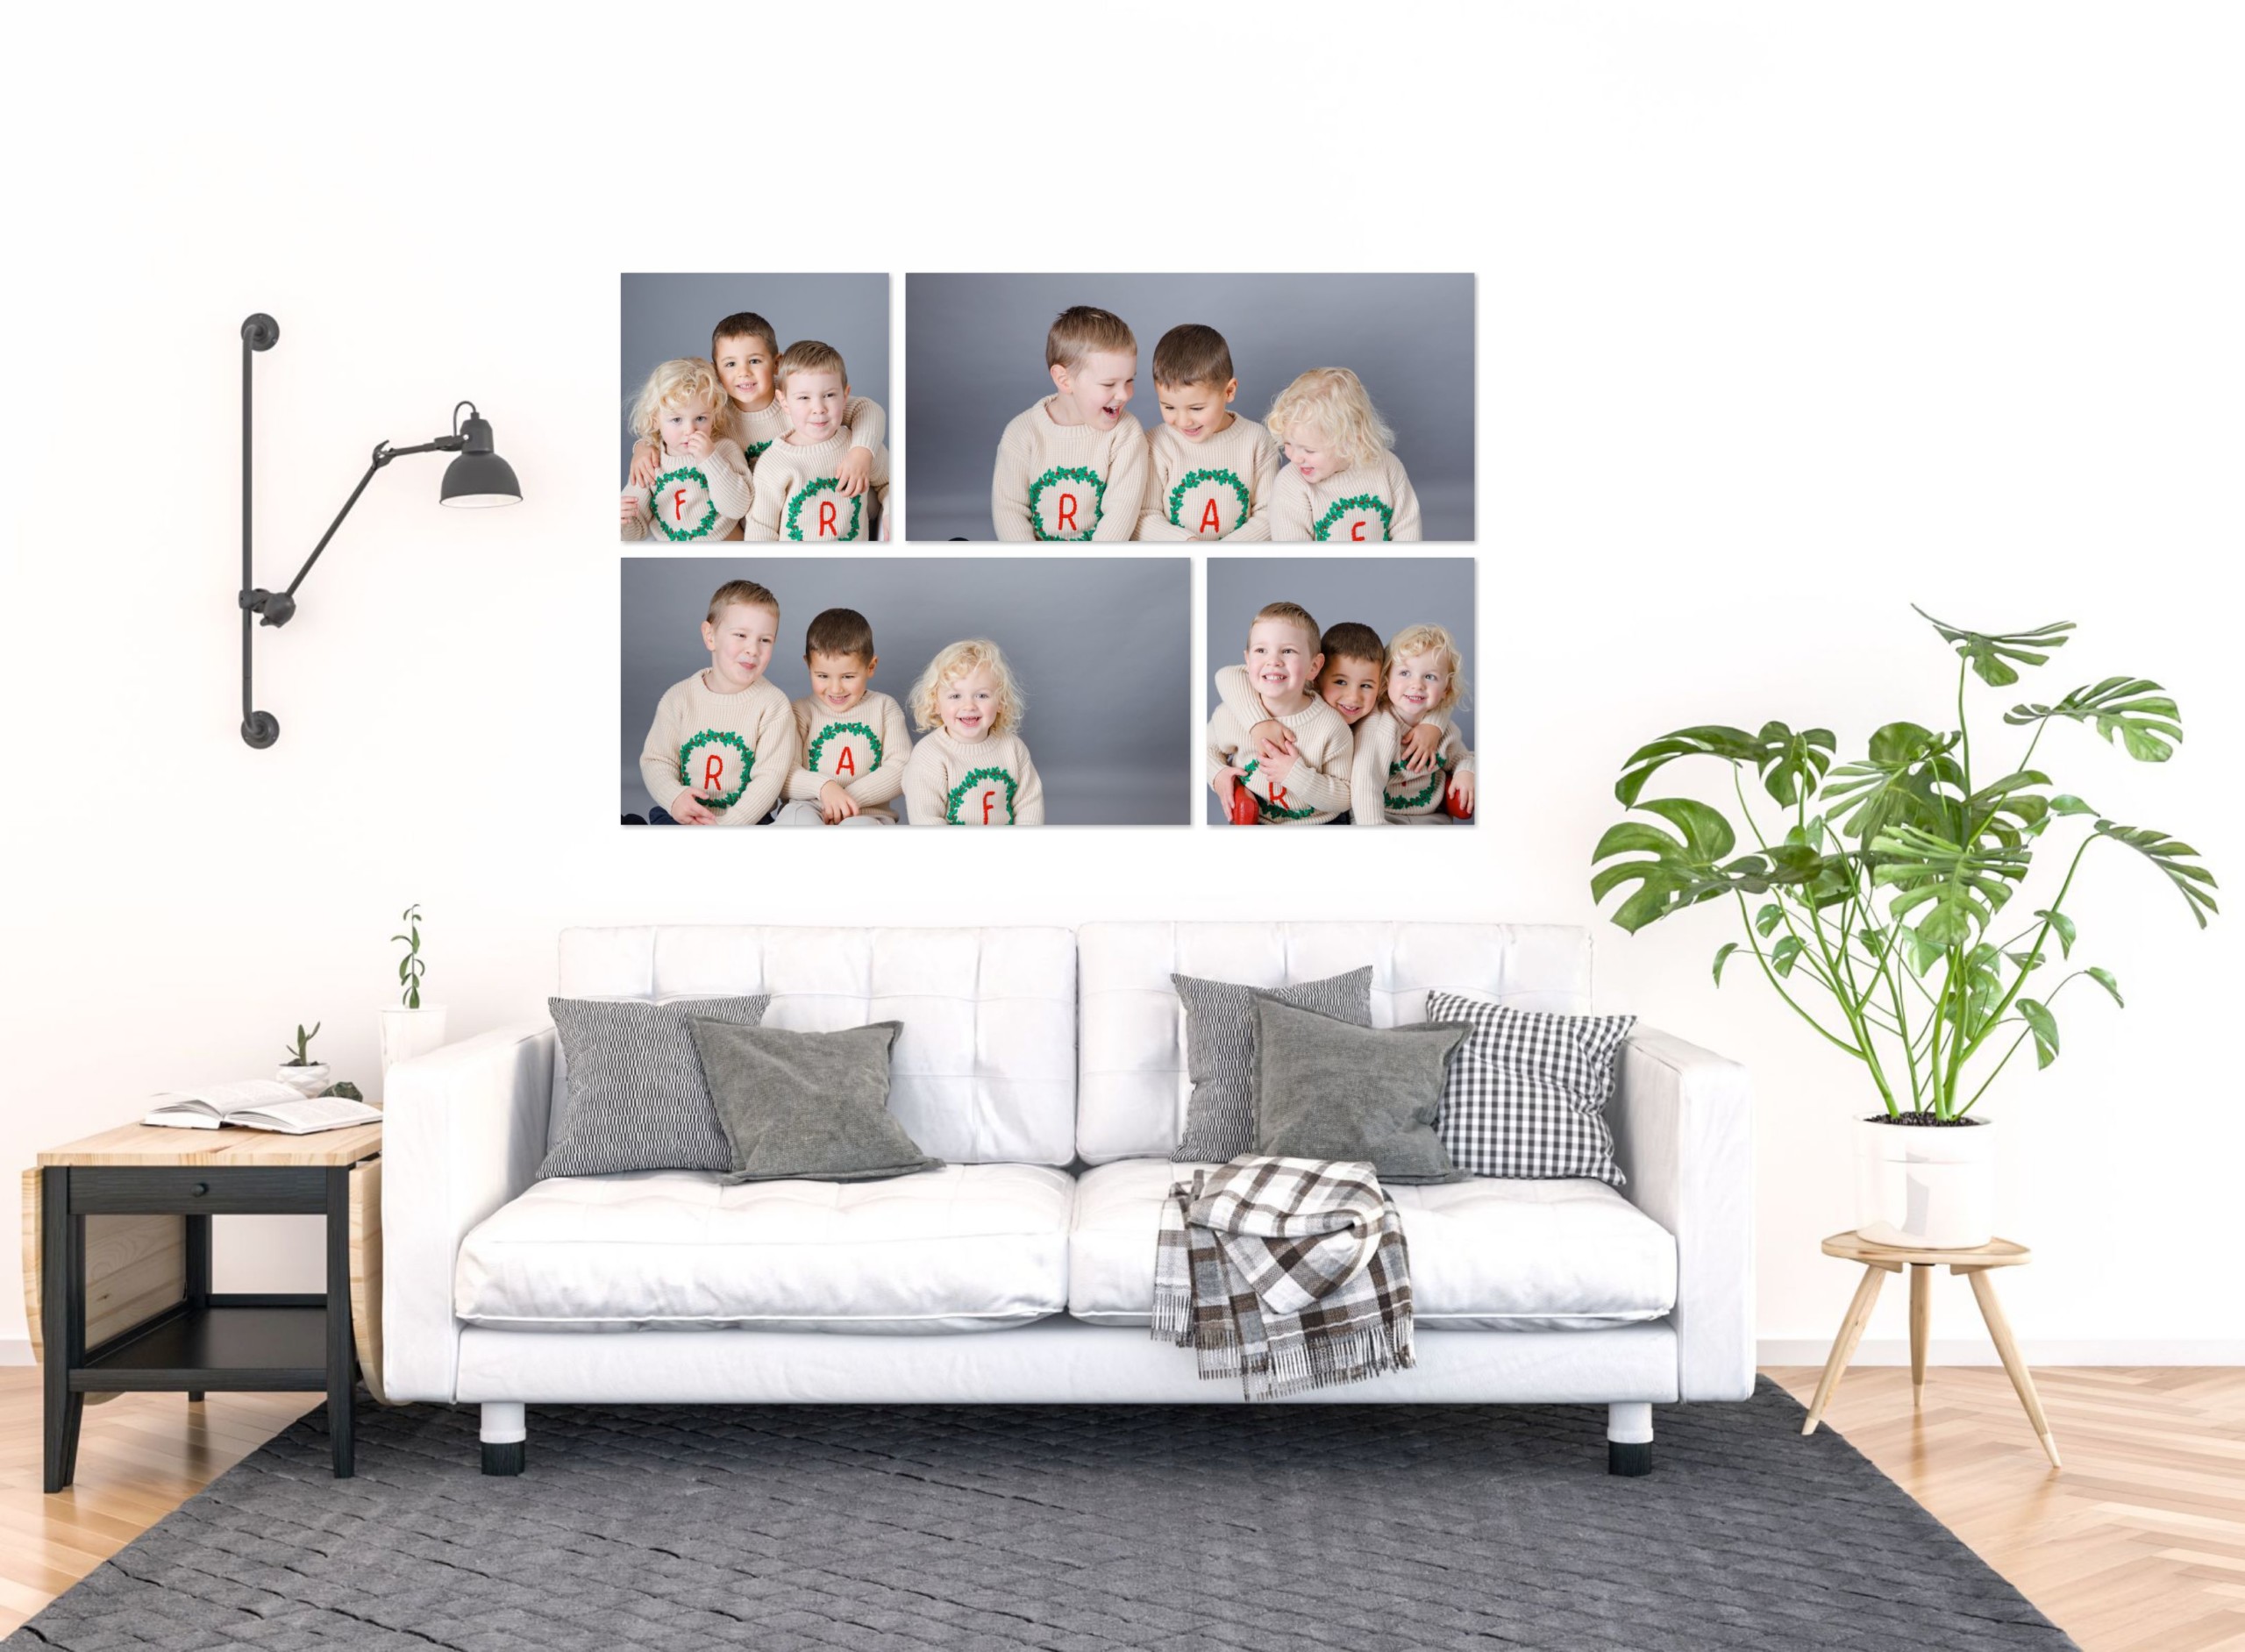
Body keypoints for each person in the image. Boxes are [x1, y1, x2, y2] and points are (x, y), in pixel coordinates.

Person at [1211, 619, 1444, 823]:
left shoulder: (1378, 715)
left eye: (1366, 685)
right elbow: (1230, 675)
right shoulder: (1292, 690)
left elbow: (1428, 696)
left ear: (1381, 686)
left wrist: (1434, 723)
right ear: (1315, 676)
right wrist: (1257, 723)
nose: (1353, 698)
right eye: (1340, 682)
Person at [635, 580, 797, 825]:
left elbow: (769, 778)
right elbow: (657, 760)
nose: (753, 649)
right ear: (710, 636)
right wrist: (674, 797)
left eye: (765, 640)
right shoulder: (679, 698)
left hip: (748, 818)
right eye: (741, 635)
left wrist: (729, 825)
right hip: (683, 812)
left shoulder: (773, 705)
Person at [991, 305, 1149, 541]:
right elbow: (1009, 509)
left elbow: (1121, 511)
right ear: (1064, 380)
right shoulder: (1022, 433)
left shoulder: (1126, 433)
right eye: (1109, 384)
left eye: (1129, 380)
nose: (1124, 395)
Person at [1205, 602, 1352, 824]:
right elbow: (1205, 749)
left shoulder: (1330, 726)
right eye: (1261, 650)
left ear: (1314, 666)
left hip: (1320, 823)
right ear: (1247, 660)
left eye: (1287, 651)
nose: (1273, 661)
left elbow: (1346, 796)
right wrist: (1217, 774)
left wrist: (1295, 775)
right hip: (1255, 821)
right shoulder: (1231, 713)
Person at [1136, 323, 1279, 540]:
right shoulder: (1157, 444)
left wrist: (1219, 554)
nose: (1183, 421)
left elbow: (1270, 515)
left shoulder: (1256, 441)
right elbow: (1143, 517)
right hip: (1175, 564)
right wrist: (1188, 544)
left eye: (1196, 408)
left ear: (1229, 391)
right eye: (1169, 407)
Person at [773, 607, 912, 825]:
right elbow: (782, 773)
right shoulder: (801, 711)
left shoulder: (884, 708)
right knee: (795, 821)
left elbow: (901, 767)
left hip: (866, 812)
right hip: (809, 805)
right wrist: (824, 789)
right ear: (808, 665)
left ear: (871, 666)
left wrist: (846, 798)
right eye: (822, 676)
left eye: (848, 676)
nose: (835, 689)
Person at [741, 341, 891, 541]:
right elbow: (761, 531)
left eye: (829, 395)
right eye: (804, 398)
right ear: (784, 401)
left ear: (845, 396)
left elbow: (890, 484)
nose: (818, 408)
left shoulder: (859, 448)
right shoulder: (773, 464)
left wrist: (891, 512)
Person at [1265, 367, 1423, 542]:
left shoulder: (1387, 466)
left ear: (1350, 441)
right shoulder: (1290, 485)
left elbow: (1406, 527)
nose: (1295, 458)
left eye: (1309, 450)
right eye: (1288, 444)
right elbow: (1295, 554)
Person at [901, 639, 1045, 824]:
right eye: (955, 696)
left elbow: (1029, 803)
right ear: (936, 703)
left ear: (1000, 702)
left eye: (982, 695)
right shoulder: (928, 755)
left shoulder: (1013, 748)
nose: (969, 706)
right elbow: (926, 819)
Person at [1349, 623, 1477, 825]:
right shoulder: (1376, 727)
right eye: (1405, 673)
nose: (1417, 685)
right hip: (1380, 815)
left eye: (1430, 677)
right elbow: (1365, 787)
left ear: (1446, 689)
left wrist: (1466, 771)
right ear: (1386, 678)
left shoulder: (1444, 731)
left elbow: (1462, 756)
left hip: (1432, 817)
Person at [620, 359, 752, 543]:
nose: (690, 430)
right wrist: (622, 521)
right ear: (655, 419)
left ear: (714, 415)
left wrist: (710, 459)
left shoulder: (724, 449)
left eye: (700, 418)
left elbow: (737, 508)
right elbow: (634, 534)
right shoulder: (650, 462)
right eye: (676, 420)